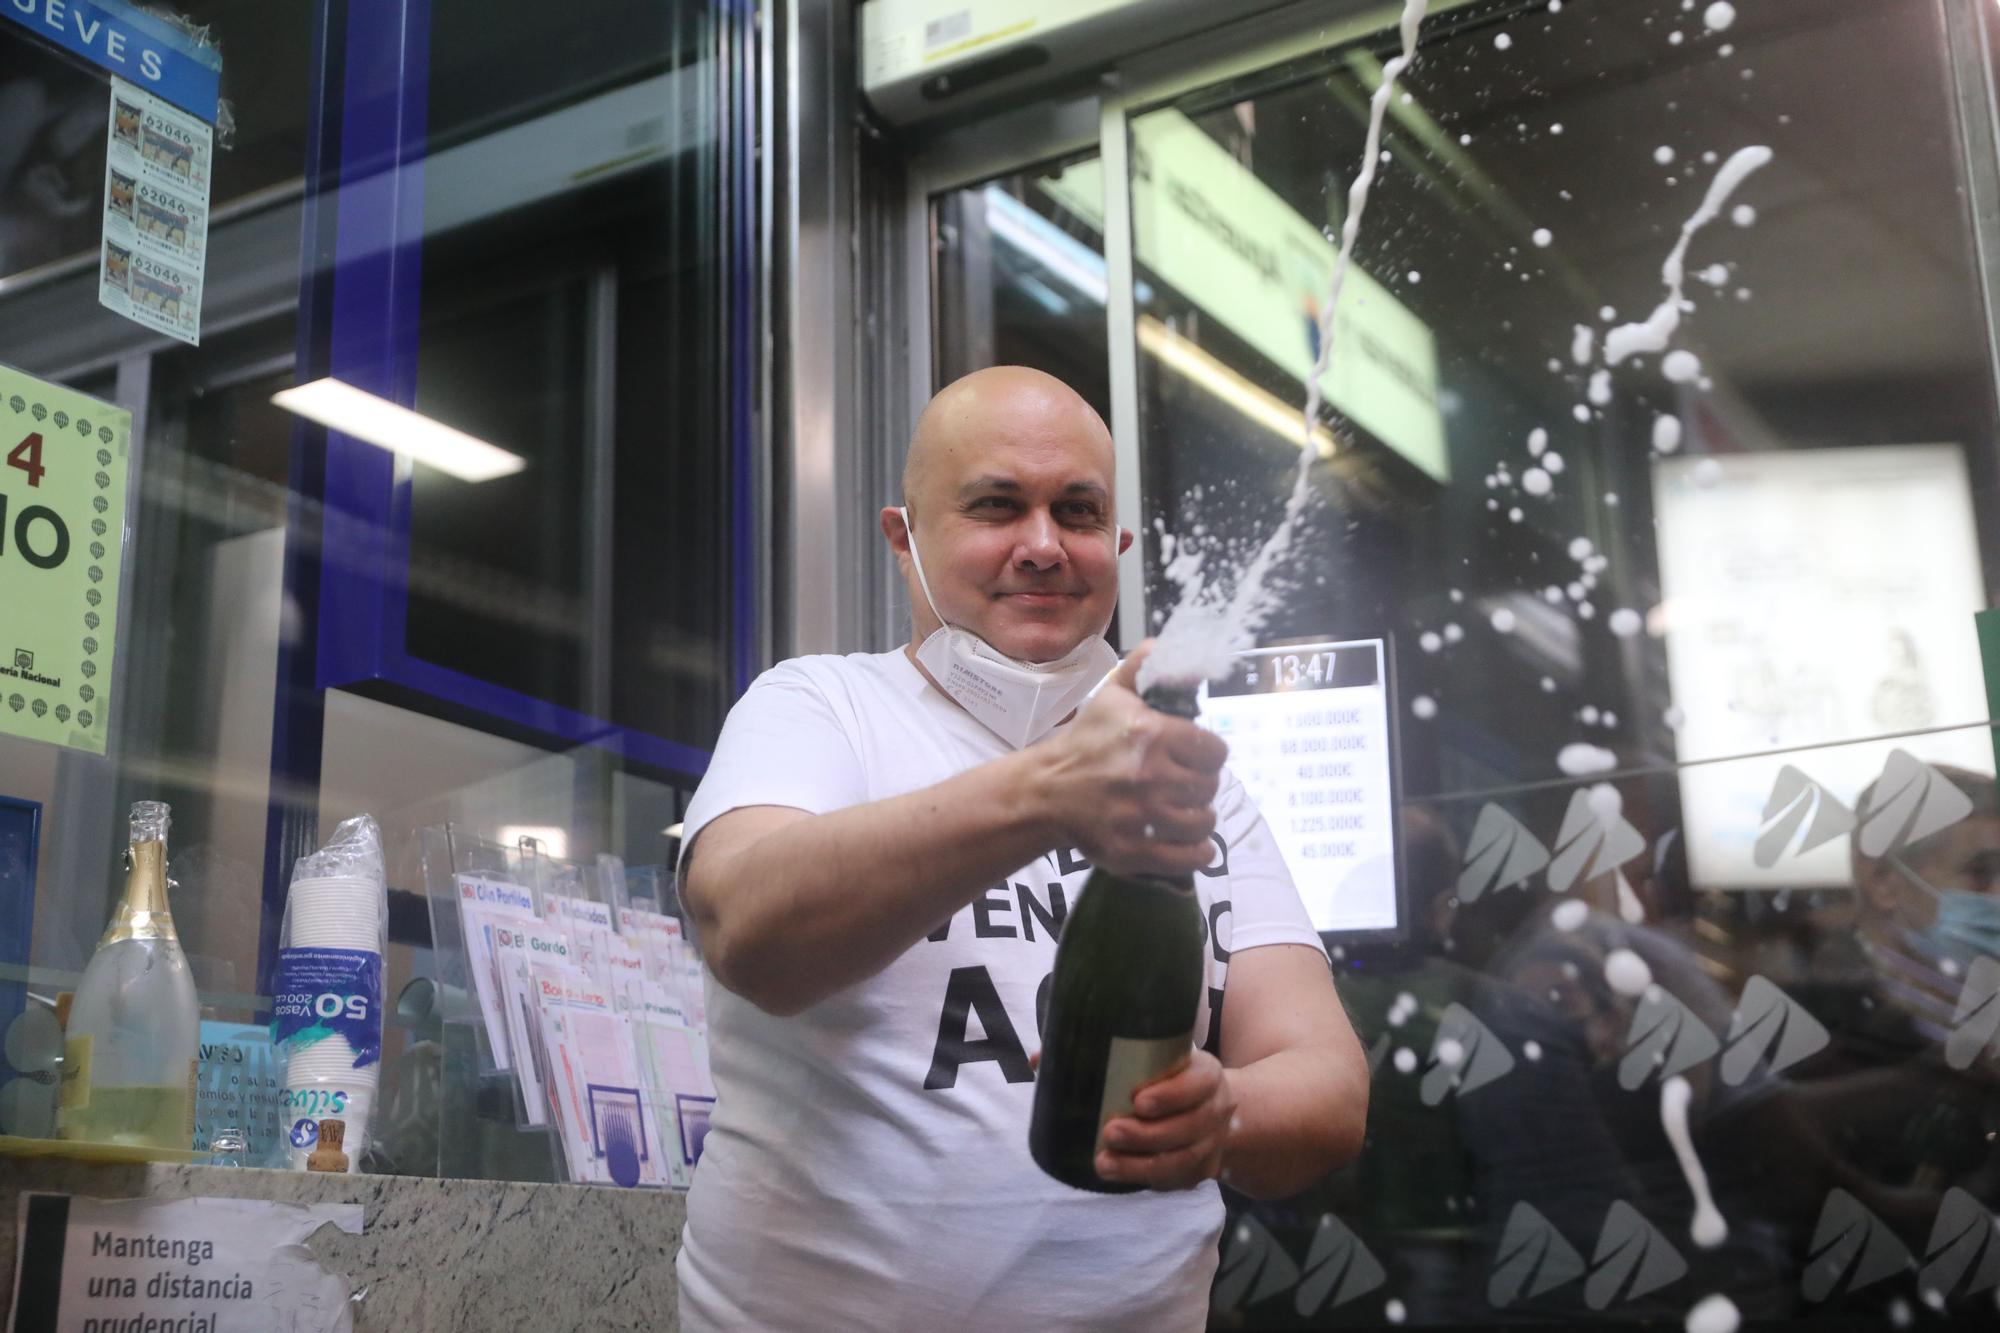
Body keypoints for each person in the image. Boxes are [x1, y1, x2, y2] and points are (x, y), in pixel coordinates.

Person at [675, 366, 1369, 1331]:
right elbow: (749, 930)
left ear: (1116, 546)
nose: (1043, 545)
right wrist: (1047, 789)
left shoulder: (1190, 778)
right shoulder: (820, 705)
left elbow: (1328, 1084)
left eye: (1077, 512)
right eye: (997, 506)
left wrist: (1230, 1112)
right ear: (903, 537)